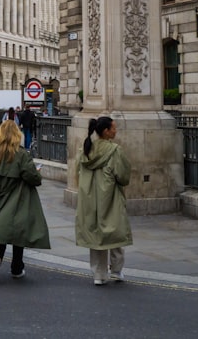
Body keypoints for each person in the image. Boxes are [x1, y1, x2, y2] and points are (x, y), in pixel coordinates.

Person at [0, 119, 50, 281]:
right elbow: (33, 178)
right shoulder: (21, 154)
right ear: (17, 135)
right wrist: (37, 172)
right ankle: (16, 267)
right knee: (17, 234)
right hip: (18, 199)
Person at [76, 116, 132, 286]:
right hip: (110, 197)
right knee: (115, 231)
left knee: (96, 236)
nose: (116, 131)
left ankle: (99, 274)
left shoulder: (85, 150)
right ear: (106, 131)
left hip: (89, 198)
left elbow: (78, 173)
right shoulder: (114, 151)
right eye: (113, 128)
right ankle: (116, 270)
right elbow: (123, 177)